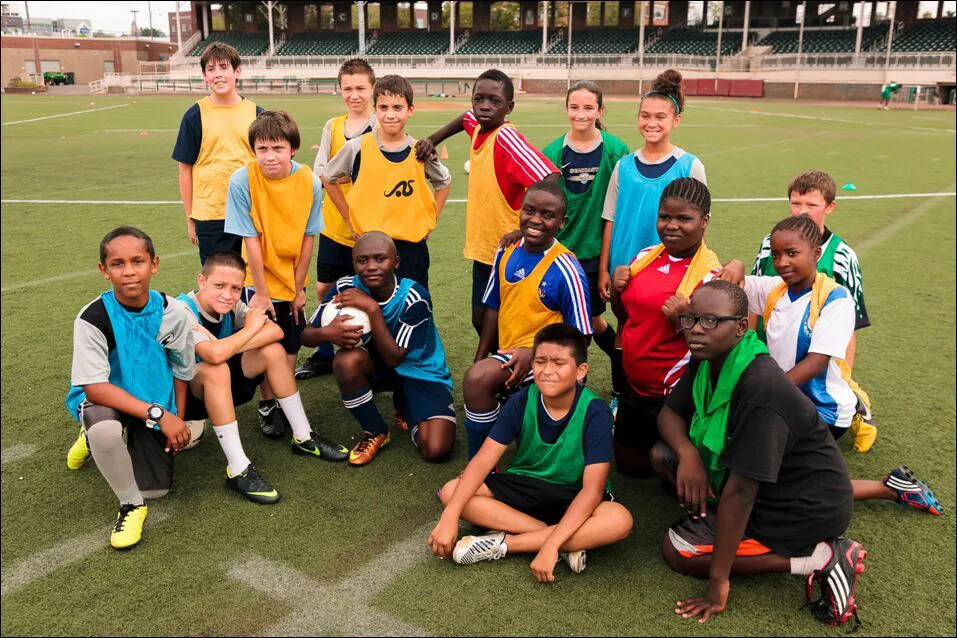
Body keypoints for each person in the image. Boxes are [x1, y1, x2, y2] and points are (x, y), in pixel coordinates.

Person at [650, 281, 942, 626]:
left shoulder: (761, 388)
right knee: (662, 456)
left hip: (797, 508)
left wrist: (718, 582)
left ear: (741, 327)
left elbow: (741, 494)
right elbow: (669, 413)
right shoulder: (710, 356)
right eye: (690, 319)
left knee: (678, 551)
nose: (696, 330)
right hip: (794, 480)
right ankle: (890, 488)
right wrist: (689, 455)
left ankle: (821, 557)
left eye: (711, 321)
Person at [428, 324, 633, 582]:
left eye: (559, 363)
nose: (547, 371)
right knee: (451, 492)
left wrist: (550, 546)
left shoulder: (596, 412)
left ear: (581, 371)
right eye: (540, 361)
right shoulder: (523, 399)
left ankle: (506, 544)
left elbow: (592, 491)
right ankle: (565, 540)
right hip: (526, 484)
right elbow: (483, 460)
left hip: (574, 493)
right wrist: (450, 516)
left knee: (619, 520)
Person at [65, 227, 196, 550]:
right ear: (104, 271)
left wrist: (175, 416)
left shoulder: (174, 313)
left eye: (137, 261)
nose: (129, 272)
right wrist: (159, 415)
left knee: (157, 488)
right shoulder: (93, 318)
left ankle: (101, 438)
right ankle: (131, 505)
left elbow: (181, 369)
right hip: (109, 399)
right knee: (106, 431)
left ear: (154, 264)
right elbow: (95, 388)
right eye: (118, 264)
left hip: (153, 399)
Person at [179, 250, 348, 485]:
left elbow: (275, 331)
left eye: (236, 288)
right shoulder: (182, 310)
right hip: (185, 402)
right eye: (219, 285)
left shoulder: (232, 305)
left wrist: (227, 347)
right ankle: (238, 469)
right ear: (201, 281)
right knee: (215, 367)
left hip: (221, 384)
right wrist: (246, 333)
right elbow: (213, 354)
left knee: (272, 350)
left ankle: (303, 437)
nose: (228, 295)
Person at [414, 69, 559, 336]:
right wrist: (433, 139)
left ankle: (507, 371)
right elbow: (465, 119)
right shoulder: (479, 123)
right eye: (478, 98)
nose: (484, 106)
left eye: (494, 101)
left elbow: (548, 178)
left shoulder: (506, 138)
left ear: (509, 107)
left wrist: (525, 229)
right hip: (486, 248)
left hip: (510, 251)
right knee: (482, 320)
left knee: (503, 321)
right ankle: (497, 369)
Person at [463, 177, 593, 459]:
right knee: (477, 378)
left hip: (552, 362)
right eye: (529, 211)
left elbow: (582, 335)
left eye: (547, 215)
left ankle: (558, 410)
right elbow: (494, 306)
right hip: (512, 358)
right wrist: (481, 357)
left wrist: (534, 354)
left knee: (541, 454)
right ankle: (480, 467)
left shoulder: (566, 268)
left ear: (562, 222)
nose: (535, 220)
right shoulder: (506, 250)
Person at [301, 232, 455, 466]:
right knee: (345, 362)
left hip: (420, 372)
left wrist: (372, 309)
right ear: (353, 264)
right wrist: (327, 332)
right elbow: (306, 334)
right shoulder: (344, 288)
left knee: (436, 450)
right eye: (362, 260)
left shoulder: (414, 298)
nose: (371, 266)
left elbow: (395, 358)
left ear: (396, 262)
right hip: (375, 366)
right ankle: (375, 430)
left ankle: (406, 403)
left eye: (380, 258)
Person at [749, 170, 875, 452]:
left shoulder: (843, 257)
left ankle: (854, 403)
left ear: (830, 207)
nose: (803, 211)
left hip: (814, 355)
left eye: (812, 205)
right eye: (796, 204)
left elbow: (848, 326)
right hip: (774, 348)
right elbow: (754, 298)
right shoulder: (772, 243)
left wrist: (844, 377)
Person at [609, 178, 721, 477]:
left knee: (672, 466)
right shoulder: (643, 258)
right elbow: (624, 317)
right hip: (635, 387)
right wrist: (618, 293)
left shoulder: (711, 275)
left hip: (676, 395)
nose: (672, 225)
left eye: (684, 218)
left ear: (704, 221)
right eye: (665, 217)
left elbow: (717, 349)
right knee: (629, 468)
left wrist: (684, 321)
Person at [223, 110, 322, 439]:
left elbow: (309, 239)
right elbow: (250, 241)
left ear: (293, 148)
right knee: (266, 345)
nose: (269, 156)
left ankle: (283, 398)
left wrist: (299, 288)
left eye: (277, 148)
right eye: (262, 148)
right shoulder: (241, 180)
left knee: (291, 343)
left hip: (291, 276)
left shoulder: (309, 180)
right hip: (257, 280)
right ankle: (267, 402)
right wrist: (262, 293)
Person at [541, 80, 630, 413]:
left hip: (596, 256)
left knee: (587, 325)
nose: (581, 114)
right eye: (574, 107)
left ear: (600, 111)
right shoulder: (551, 153)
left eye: (588, 107)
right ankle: (576, 384)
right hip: (560, 258)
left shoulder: (616, 150)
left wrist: (608, 264)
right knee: (573, 322)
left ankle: (587, 389)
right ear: (566, 109)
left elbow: (621, 206)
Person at [321, 74, 451, 289]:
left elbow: (444, 182)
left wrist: (431, 219)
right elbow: (328, 177)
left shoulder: (420, 150)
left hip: (411, 249)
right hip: (371, 249)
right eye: (383, 108)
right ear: (375, 110)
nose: (390, 115)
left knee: (413, 306)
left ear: (410, 109)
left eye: (397, 108)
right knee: (371, 311)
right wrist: (349, 218)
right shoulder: (357, 147)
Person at [296, 58, 378, 381]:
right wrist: (347, 213)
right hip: (335, 225)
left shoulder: (381, 124)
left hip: (370, 230)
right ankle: (326, 352)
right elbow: (321, 173)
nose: (354, 94)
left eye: (360, 88)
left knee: (368, 291)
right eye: (348, 88)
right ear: (340, 89)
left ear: (372, 88)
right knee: (325, 288)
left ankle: (369, 350)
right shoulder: (333, 126)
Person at [600, 69, 707, 281]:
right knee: (626, 315)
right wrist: (604, 270)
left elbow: (701, 225)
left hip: (671, 270)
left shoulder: (690, 166)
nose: (651, 123)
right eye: (645, 116)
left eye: (660, 117)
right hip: (625, 267)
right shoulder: (624, 166)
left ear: (676, 120)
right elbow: (610, 220)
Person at [172, 42, 263, 264]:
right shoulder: (194, 115)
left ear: (237, 71)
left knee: (254, 281)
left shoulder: (257, 114)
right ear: (204, 76)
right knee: (219, 284)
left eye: (224, 67)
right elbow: (185, 170)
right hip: (210, 216)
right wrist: (190, 218)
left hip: (251, 212)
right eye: (211, 70)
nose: (218, 75)